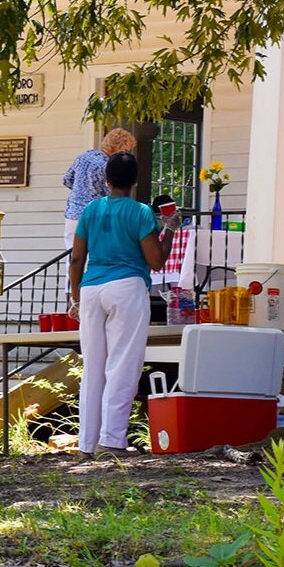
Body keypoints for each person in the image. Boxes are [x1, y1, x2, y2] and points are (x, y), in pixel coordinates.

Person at [68, 152, 178, 457]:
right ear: (135, 181)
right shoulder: (141, 212)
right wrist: (169, 227)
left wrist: (76, 298)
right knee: (122, 366)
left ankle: (86, 446)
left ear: (106, 179)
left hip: (91, 289)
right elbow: (156, 260)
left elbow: (77, 259)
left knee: (94, 369)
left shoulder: (91, 210)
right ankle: (112, 441)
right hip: (126, 288)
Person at [62, 127, 137, 250]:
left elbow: (67, 180)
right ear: (121, 147)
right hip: (96, 216)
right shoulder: (109, 166)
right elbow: (112, 194)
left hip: (73, 214)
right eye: (127, 150)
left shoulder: (84, 156)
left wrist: (81, 192)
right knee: (94, 257)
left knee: (72, 256)